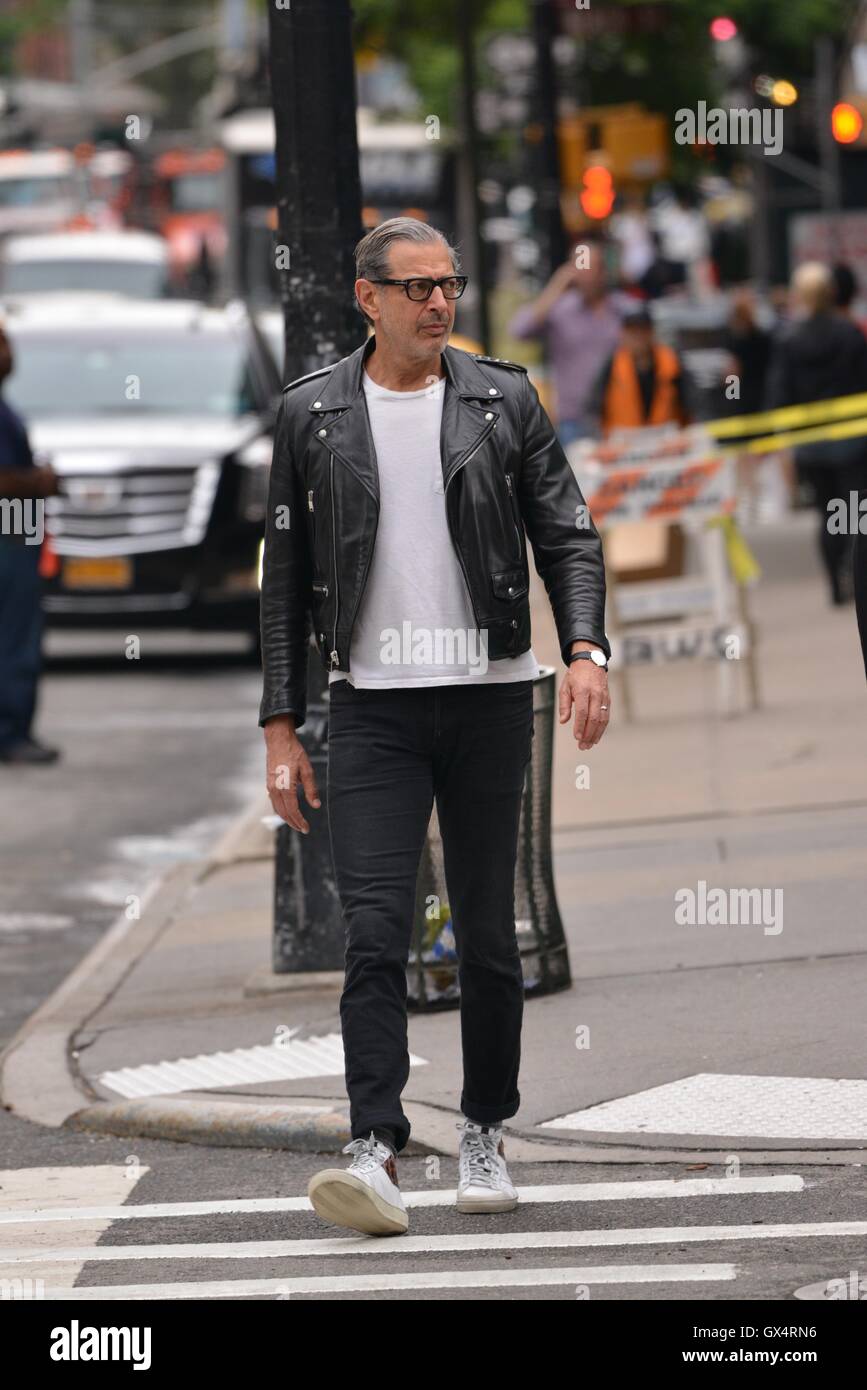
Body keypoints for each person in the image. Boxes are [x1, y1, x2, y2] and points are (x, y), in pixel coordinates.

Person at [259, 216, 610, 1237]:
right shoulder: (312, 415)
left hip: (494, 695)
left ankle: (485, 1129)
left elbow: (569, 533)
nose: (438, 302)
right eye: (415, 287)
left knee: (489, 938)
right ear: (366, 298)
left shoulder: (503, 399)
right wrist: (282, 726)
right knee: (374, 933)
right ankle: (374, 1145)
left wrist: (585, 650)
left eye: (448, 283)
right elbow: (284, 585)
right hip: (371, 707)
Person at [766, 261, 867, 605]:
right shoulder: (849, 333)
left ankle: (835, 585)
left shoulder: (790, 340)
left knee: (826, 514)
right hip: (853, 441)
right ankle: (854, 574)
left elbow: (780, 392)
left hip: (812, 445)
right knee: (853, 512)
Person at [0, 321, 60, 765]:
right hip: (8, 538)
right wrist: (38, 481)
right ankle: (11, 731)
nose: (8, 352)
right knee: (15, 637)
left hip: (18, 536)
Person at [507, 236, 624, 445]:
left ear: (603, 271)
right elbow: (520, 330)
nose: (586, 275)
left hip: (619, 415)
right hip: (573, 418)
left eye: (592, 267)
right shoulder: (561, 309)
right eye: (580, 267)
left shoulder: (620, 310)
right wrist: (557, 284)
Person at [586, 303, 691, 435]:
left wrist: (689, 434)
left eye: (643, 330)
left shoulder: (672, 361)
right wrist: (597, 438)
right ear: (623, 334)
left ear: (652, 332)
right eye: (633, 331)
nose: (638, 337)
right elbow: (591, 411)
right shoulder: (611, 365)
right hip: (623, 446)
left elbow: (693, 403)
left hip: (668, 444)